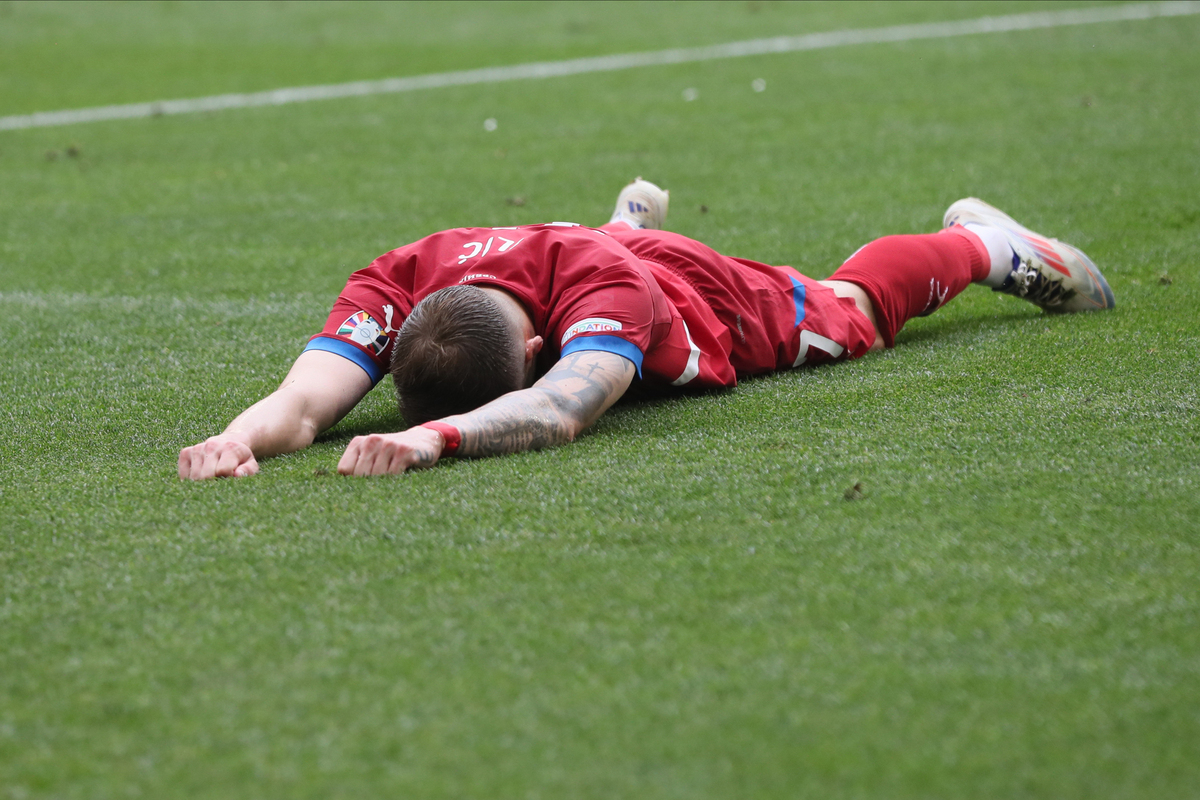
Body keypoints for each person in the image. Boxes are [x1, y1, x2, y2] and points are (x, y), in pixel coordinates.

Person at [178, 180, 1115, 480]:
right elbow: (303, 409)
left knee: (851, 310)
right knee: (599, 253)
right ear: (396, 330)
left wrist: (429, 436)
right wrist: (233, 439)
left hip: (675, 289)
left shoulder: (602, 309)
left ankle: (986, 246)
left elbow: (560, 411)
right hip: (583, 259)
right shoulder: (400, 278)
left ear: (540, 346)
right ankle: (625, 215)